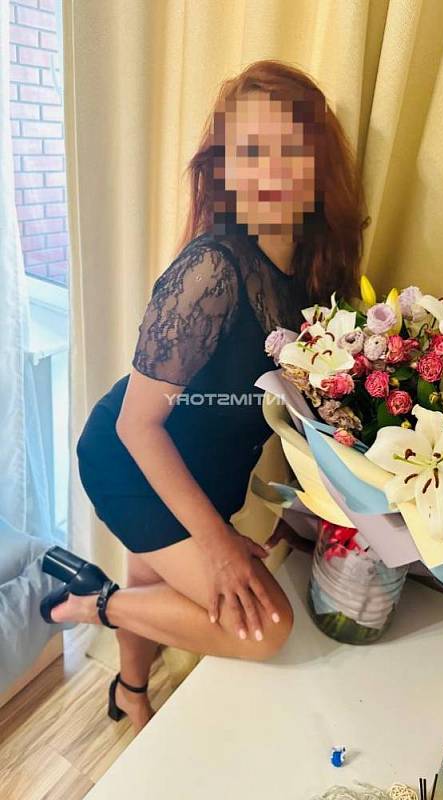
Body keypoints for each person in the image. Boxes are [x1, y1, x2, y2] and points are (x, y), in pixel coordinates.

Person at [40, 59, 369, 734]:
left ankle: (129, 691)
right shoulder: (211, 268)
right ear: (225, 168)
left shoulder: (312, 274)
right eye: (249, 151)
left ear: (317, 162)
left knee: (150, 579)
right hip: (133, 461)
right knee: (267, 627)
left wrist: (302, 510)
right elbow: (137, 425)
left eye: (289, 149)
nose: (268, 172)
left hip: (201, 471)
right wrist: (218, 544)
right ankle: (93, 603)